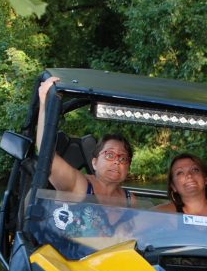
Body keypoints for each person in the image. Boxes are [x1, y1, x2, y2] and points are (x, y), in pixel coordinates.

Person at [36, 76, 136, 207]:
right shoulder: (78, 185)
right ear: (94, 163)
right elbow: (46, 154)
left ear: (128, 167)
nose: (117, 161)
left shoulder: (130, 200)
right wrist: (44, 102)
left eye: (123, 158)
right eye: (109, 155)